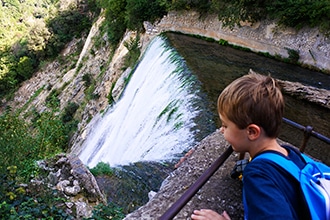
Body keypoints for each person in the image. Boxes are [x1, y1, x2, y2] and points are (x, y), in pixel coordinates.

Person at [191, 72, 310, 220]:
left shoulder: (257, 175)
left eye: (225, 125)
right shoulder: (291, 153)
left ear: (252, 132)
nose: (221, 130)